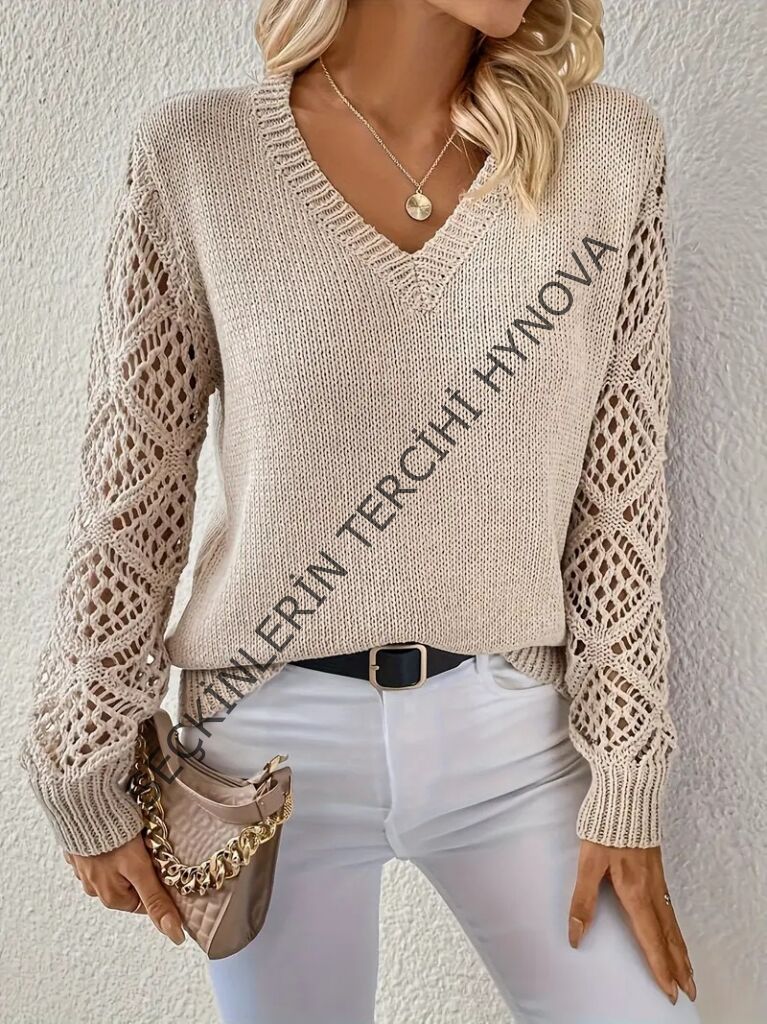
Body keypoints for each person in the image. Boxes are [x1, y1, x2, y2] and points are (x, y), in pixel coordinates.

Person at [19, 1, 701, 1021]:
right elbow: (132, 493)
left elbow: (619, 501)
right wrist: (84, 754)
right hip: (261, 758)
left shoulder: (607, 149)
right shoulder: (196, 157)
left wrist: (627, 770)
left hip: (515, 740)